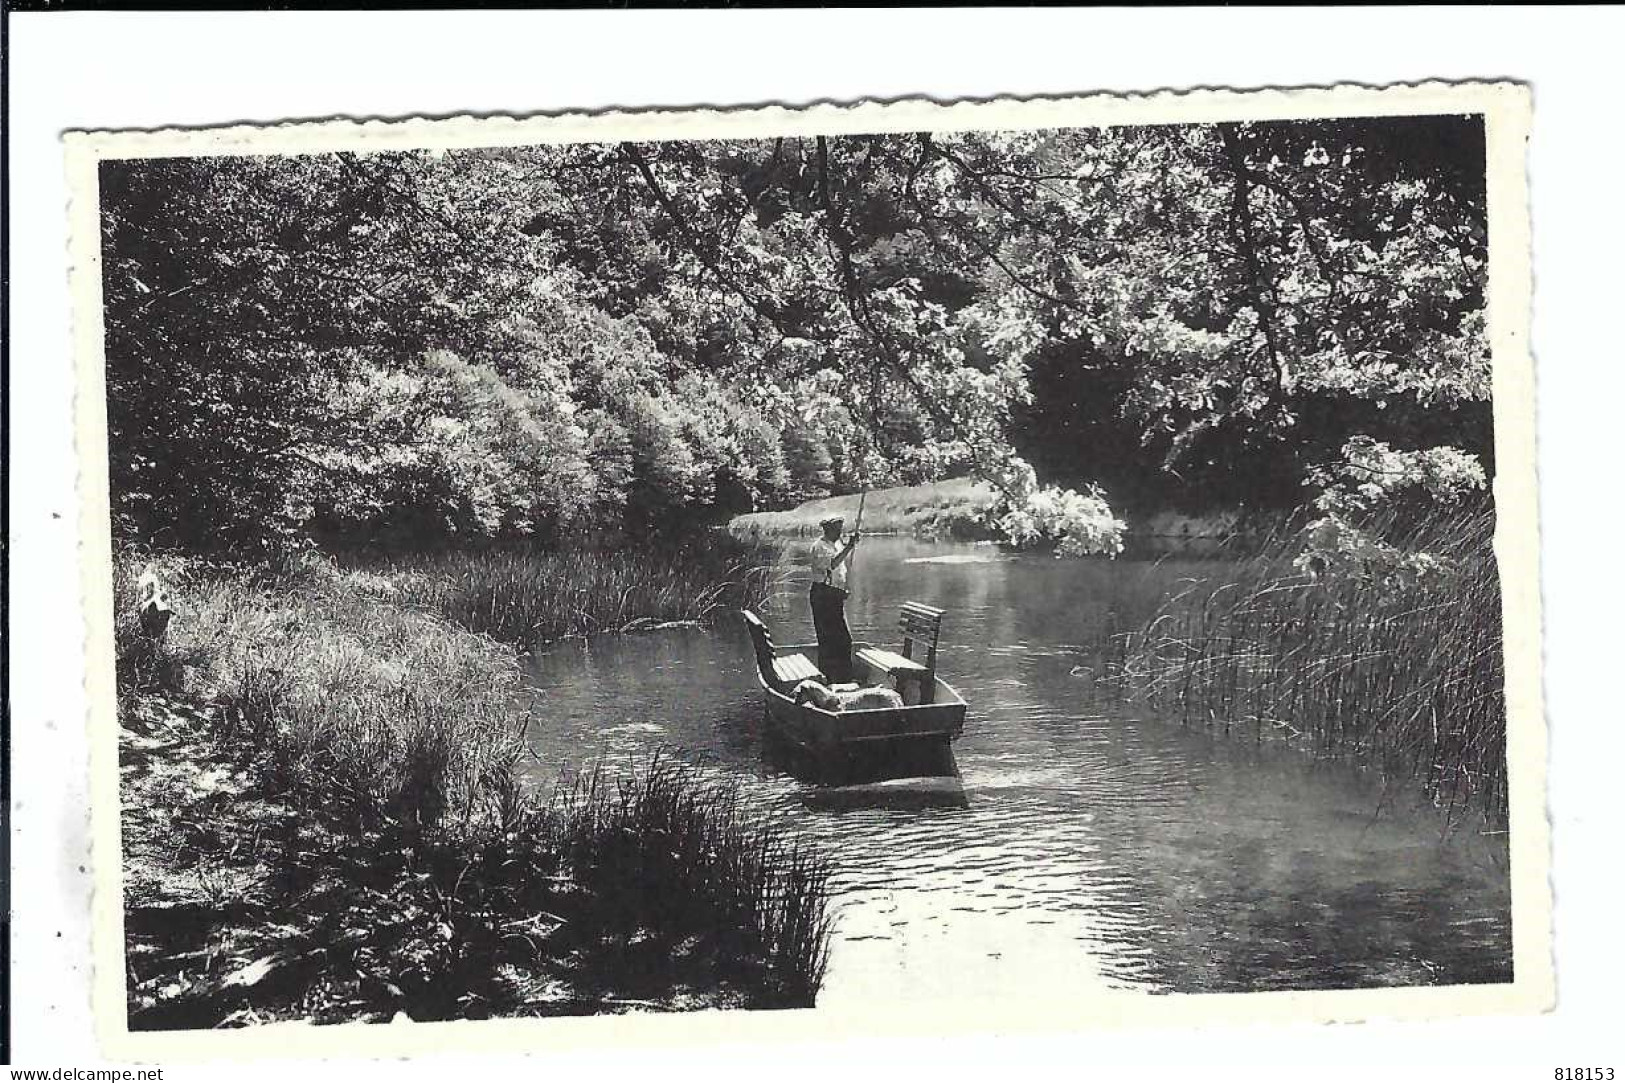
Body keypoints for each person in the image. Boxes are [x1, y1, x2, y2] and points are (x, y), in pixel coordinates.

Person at [809, 514, 861, 684]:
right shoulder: (819, 547)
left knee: (842, 640)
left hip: (833, 595)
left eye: (840, 528)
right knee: (830, 639)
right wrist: (849, 547)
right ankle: (831, 678)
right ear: (827, 529)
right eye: (836, 529)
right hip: (823, 595)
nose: (840, 532)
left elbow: (840, 569)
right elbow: (831, 564)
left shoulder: (837, 543)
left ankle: (842, 678)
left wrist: (842, 589)